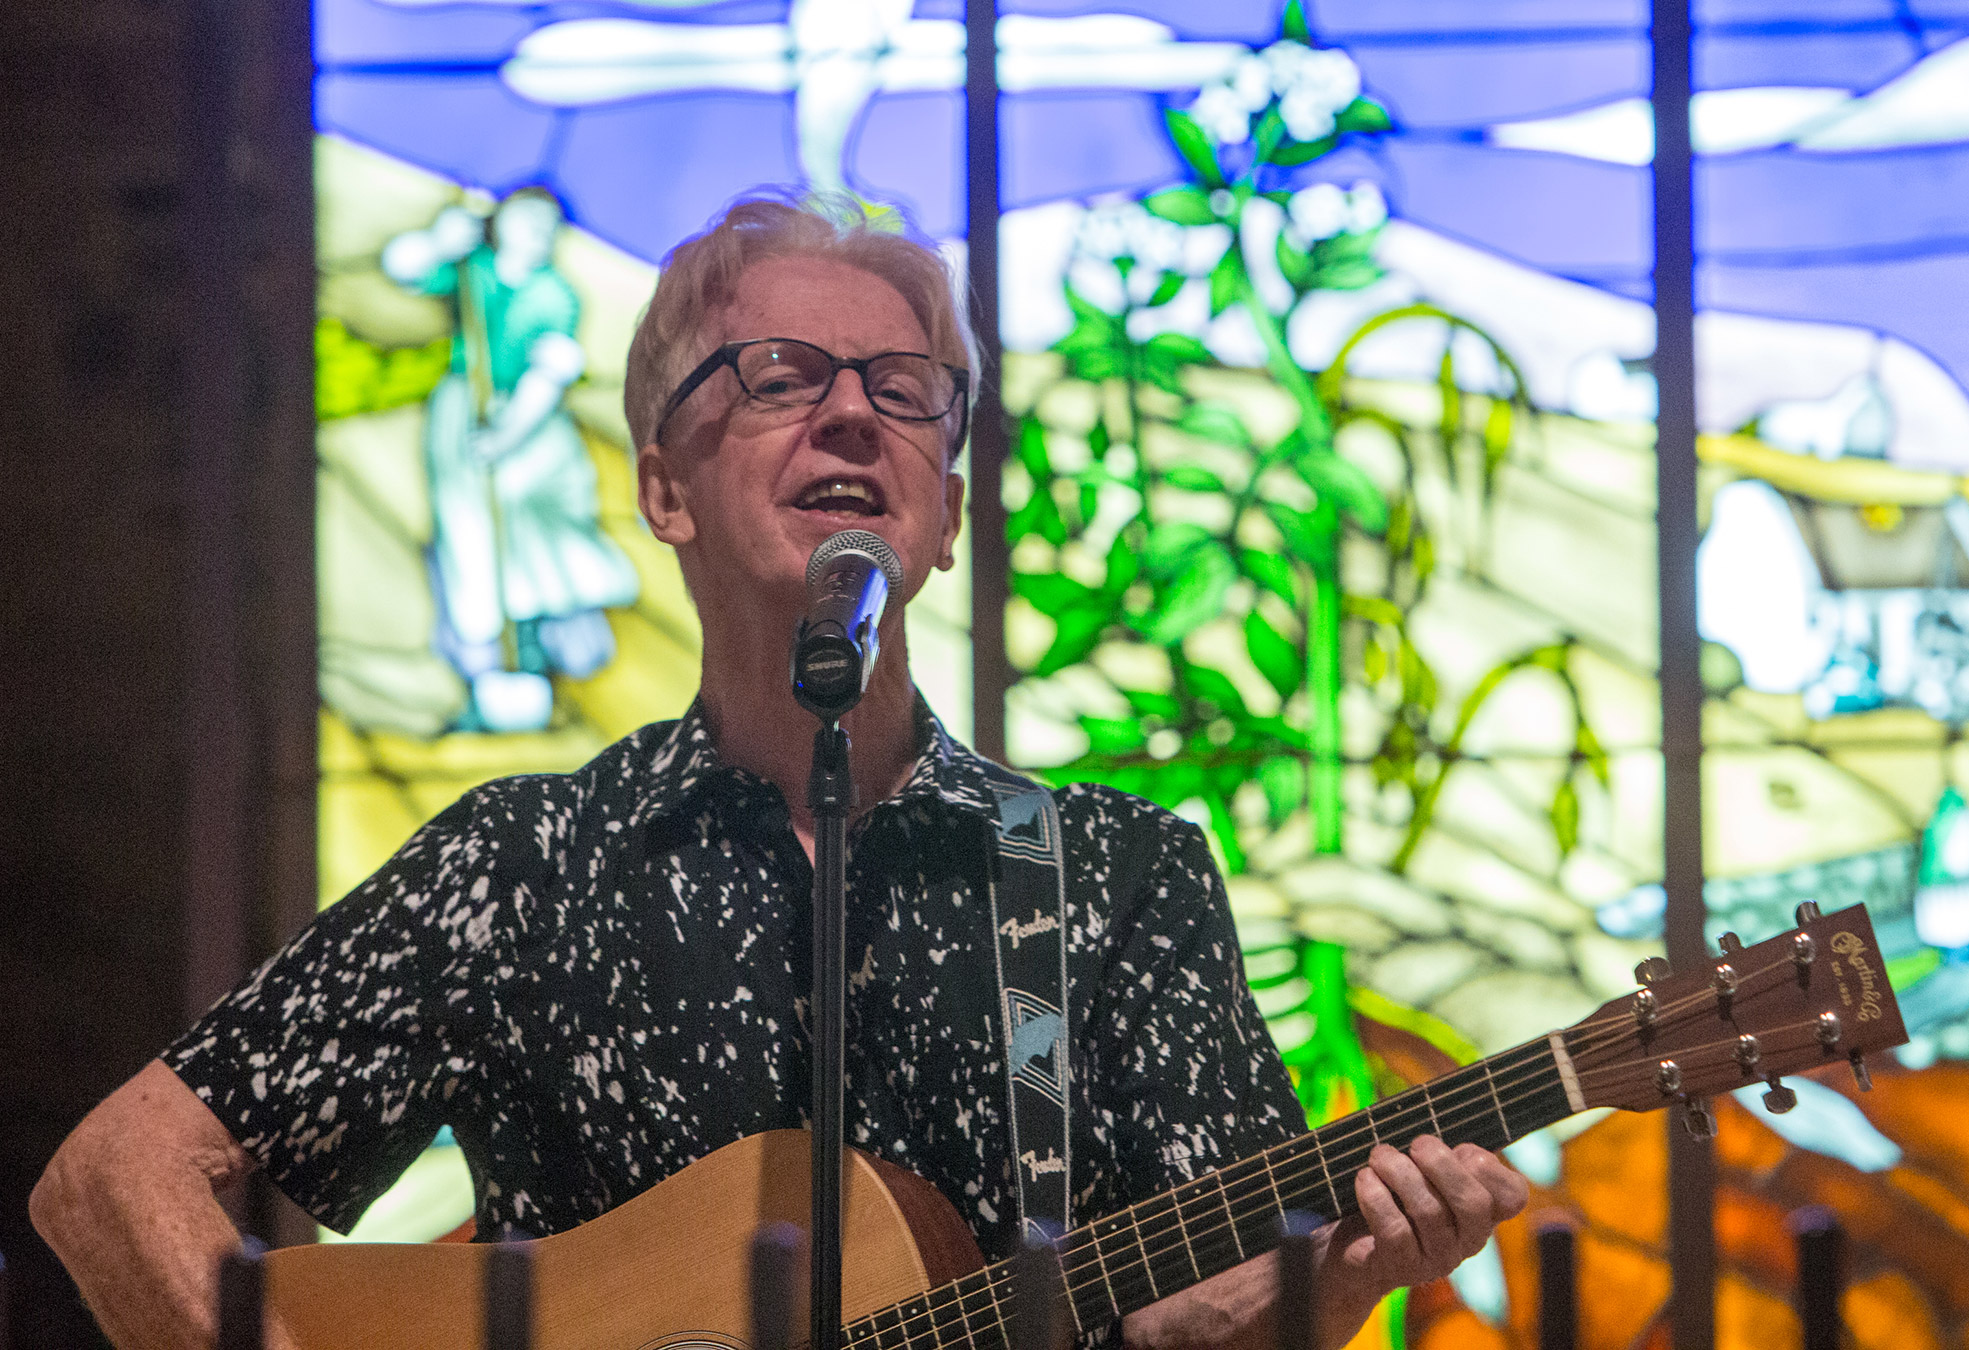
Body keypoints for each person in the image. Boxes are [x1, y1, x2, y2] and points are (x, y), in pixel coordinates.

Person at [30, 188, 1528, 1350]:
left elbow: (1195, 1313)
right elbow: (110, 1177)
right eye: (781, 374)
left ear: (942, 511)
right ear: (663, 488)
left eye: (903, 387)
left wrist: (1336, 1282)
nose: (853, 411)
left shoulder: (1113, 876)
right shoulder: (524, 865)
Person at [382, 187, 640, 733]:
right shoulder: (472, 271)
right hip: (465, 419)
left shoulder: (556, 295)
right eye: (525, 220)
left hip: (532, 429)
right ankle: (485, 667)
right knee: (471, 536)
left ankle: (542, 651)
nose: (537, 233)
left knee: (540, 537)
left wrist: (508, 435)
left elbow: (548, 374)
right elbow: (402, 267)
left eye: (548, 225)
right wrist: (437, 242)